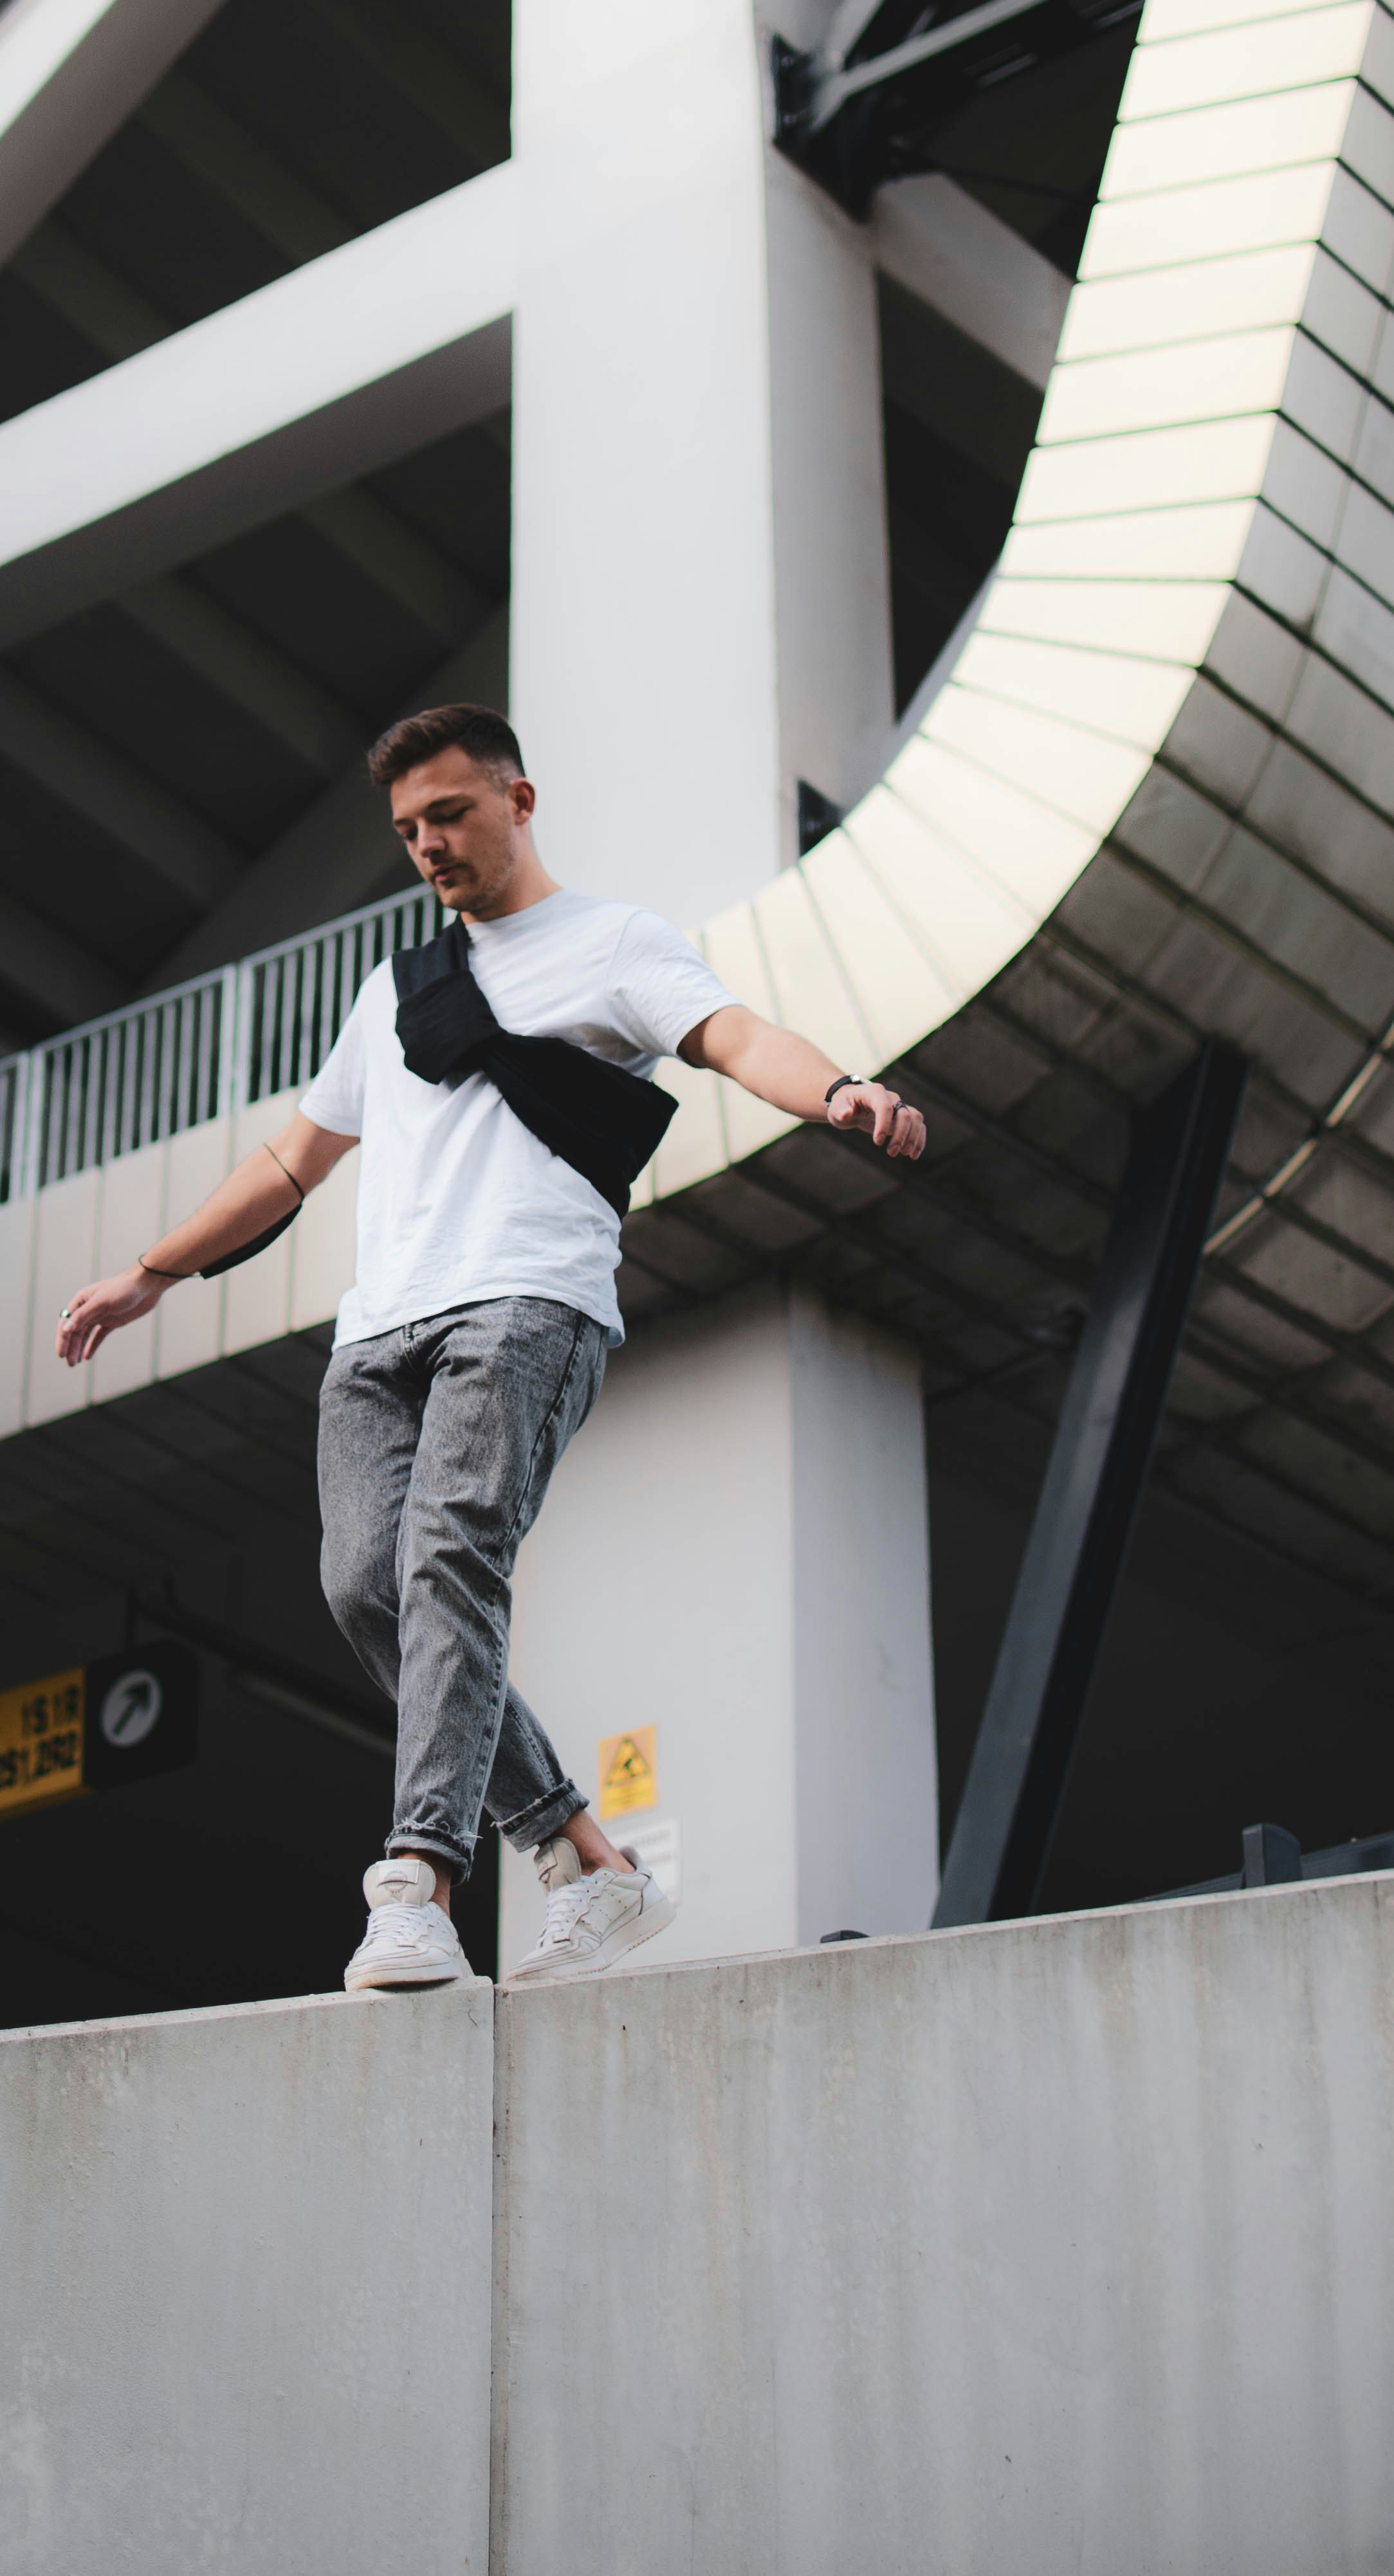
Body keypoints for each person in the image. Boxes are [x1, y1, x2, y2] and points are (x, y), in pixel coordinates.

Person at [57, 706, 925, 1991]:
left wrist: (839, 1086)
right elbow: (291, 1161)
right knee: (368, 1589)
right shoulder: (396, 989)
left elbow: (733, 1035)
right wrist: (149, 1272)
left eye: (450, 813)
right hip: (377, 1329)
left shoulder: (612, 942)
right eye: (407, 828)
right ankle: (588, 1857)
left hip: (524, 1300)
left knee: (450, 1557)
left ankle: (416, 1883)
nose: (428, 844)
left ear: (518, 800)